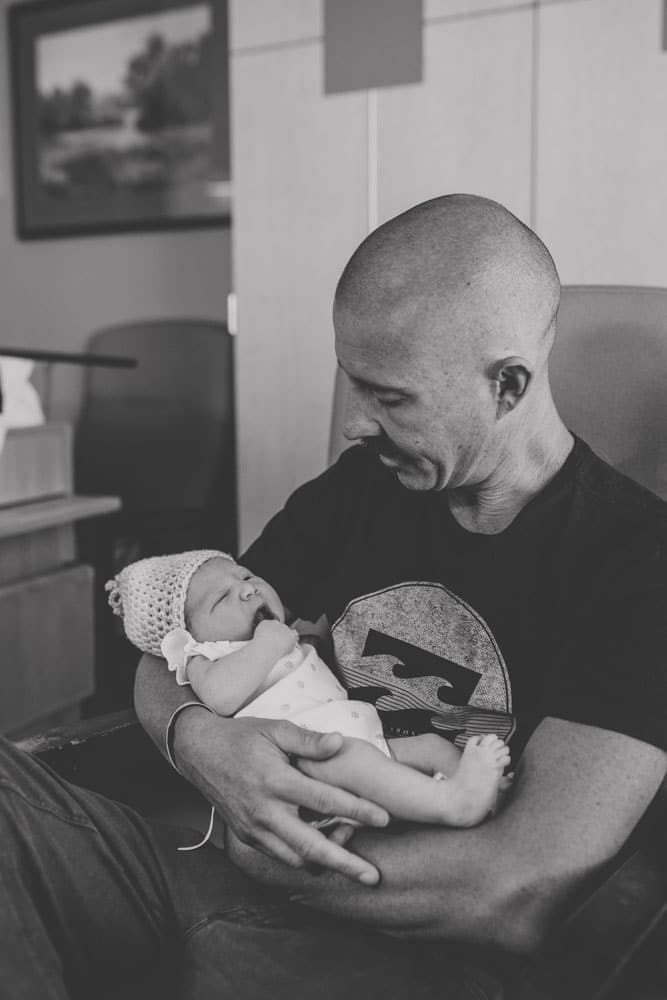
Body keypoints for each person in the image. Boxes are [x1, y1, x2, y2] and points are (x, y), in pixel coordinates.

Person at [1, 193, 665, 1000]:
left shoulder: (638, 561)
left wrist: (265, 846)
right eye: (350, 384)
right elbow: (175, 643)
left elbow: (514, 888)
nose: (352, 423)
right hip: (192, 868)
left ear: (508, 384)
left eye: (388, 397)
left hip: (397, 949)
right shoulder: (360, 490)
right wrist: (197, 743)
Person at [108, 549, 511, 832]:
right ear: (189, 633)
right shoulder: (203, 656)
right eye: (222, 598)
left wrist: (304, 640)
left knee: (429, 746)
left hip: (361, 735)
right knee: (362, 765)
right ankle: (452, 804)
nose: (247, 589)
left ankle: (484, 791)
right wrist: (267, 646)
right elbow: (220, 697)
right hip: (307, 764)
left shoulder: (281, 632)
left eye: (246, 576)